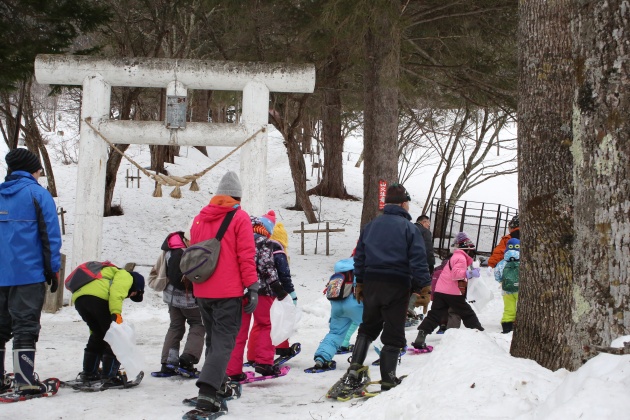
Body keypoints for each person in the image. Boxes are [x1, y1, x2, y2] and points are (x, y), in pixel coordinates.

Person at [330, 183, 431, 398]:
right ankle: (388, 378)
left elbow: (360, 257)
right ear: (404, 204)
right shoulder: (410, 229)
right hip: (397, 284)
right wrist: (424, 284)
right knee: (394, 332)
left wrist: (360, 282)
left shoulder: (371, 226)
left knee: (368, 327)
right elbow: (418, 259)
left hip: (373, 284)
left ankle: (354, 369)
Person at [184, 171, 258, 419]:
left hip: (202, 289)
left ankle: (220, 383)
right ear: (237, 196)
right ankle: (207, 396)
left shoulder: (199, 218)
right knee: (224, 342)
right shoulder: (240, 217)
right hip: (228, 291)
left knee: (214, 341)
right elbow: (245, 256)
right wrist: (253, 286)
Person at [0, 148, 62, 395]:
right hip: (28, 274)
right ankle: (24, 380)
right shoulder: (38, 194)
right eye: (38, 170)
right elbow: (50, 237)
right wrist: (52, 270)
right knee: (25, 327)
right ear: (32, 170)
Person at [226, 213, 290, 380]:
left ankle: (232, 370)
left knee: (239, 331)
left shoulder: (236, 239)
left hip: (239, 292)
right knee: (265, 325)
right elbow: (266, 266)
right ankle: (264, 363)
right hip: (262, 292)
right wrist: (278, 287)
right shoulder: (264, 242)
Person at [70, 262, 145, 387]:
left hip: (79, 299)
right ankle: (109, 375)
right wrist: (116, 314)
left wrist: (97, 333)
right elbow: (116, 293)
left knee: (97, 335)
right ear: (137, 286)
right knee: (115, 338)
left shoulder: (106, 276)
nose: (130, 295)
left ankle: (89, 373)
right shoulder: (127, 276)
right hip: (98, 299)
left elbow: (97, 330)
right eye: (134, 294)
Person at [412, 232, 484, 350]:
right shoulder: (461, 258)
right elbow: (456, 275)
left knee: (435, 314)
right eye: (472, 251)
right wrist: (470, 273)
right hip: (452, 292)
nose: (472, 254)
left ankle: (421, 335)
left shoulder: (455, 256)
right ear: (467, 250)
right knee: (467, 313)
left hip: (440, 291)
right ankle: (480, 333)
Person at [151, 231, 204, 375]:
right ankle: (188, 358)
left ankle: (169, 362)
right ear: (187, 239)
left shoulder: (171, 249)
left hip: (171, 298)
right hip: (187, 299)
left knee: (175, 327)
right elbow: (178, 279)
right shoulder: (180, 253)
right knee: (198, 324)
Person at [307, 257, 363, 372]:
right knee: (371, 330)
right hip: (356, 305)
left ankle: (321, 359)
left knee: (335, 333)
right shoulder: (359, 270)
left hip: (337, 306)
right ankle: (388, 355)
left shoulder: (338, 273)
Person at [268, 220, 300, 359]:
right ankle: (281, 348)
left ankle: (254, 353)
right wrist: (291, 292)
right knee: (281, 319)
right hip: (277, 290)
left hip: (260, 289)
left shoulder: (262, 248)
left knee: (261, 323)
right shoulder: (279, 251)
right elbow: (284, 275)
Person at [494, 238, 520, 333]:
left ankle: (507, 326)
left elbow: (497, 274)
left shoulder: (503, 262)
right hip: (520, 289)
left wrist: (502, 281)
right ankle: (519, 324)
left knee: (509, 308)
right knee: (520, 307)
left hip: (507, 290)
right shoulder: (524, 261)